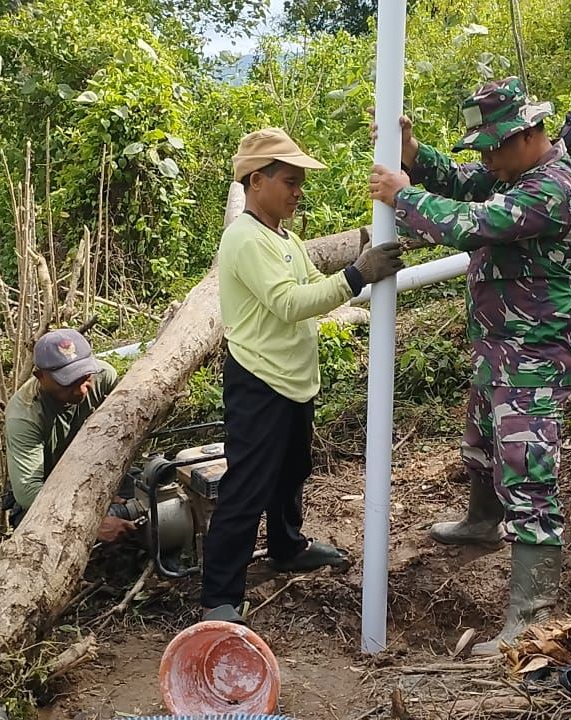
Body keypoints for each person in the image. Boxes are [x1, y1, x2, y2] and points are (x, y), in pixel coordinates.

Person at [368, 77, 571, 655]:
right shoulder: (511, 173)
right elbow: (466, 183)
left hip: (534, 355)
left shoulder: (552, 190)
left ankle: (531, 618)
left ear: (528, 133)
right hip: (500, 348)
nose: (486, 158)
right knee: (484, 442)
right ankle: (481, 522)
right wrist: (415, 159)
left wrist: (402, 194)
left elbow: (470, 223)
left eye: (494, 145)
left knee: (527, 469)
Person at [200, 127, 405, 624]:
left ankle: (287, 547)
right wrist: (357, 273)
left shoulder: (284, 238)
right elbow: (290, 303)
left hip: (293, 377)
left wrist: (359, 269)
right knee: (247, 485)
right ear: (255, 182)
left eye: (298, 182)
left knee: (291, 472)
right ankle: (219, 596)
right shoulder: (245, 239)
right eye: (289, 181)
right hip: (259, 378)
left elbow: (316, 285)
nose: (298, 191)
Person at [4, 328, 136, 543]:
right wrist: (89, 521)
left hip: (93, 471)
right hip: (47, 489)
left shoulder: (104, 378)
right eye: (68, 382)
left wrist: (107, 488)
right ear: (41, 376)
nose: (81, 390)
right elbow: (28, 491)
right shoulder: (24, 416)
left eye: (85, 378)